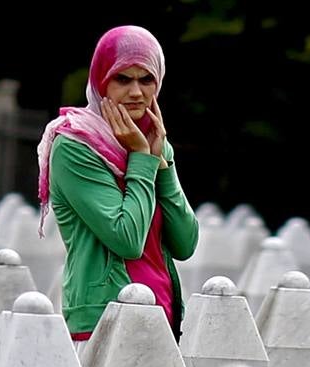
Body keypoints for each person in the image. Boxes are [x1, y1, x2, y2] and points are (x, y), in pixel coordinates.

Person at [38, 25, 199, 345]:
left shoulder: (153, 143)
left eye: (146, 79)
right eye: (123, 79)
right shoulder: (75, 145)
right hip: (102, 323)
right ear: (101, 82)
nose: (137, 92)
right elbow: (126, 238)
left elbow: (185, 243)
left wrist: (160, 162)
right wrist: (142, 159)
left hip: (162, 317)